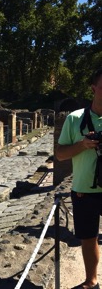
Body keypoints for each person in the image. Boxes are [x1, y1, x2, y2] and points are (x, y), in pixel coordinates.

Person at [56, 68, 102, 289]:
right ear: (93, 89)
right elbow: (60, 154)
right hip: (84, 189)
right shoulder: (75, 119)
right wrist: (83, 145)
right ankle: (91, 280)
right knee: (88, 238)